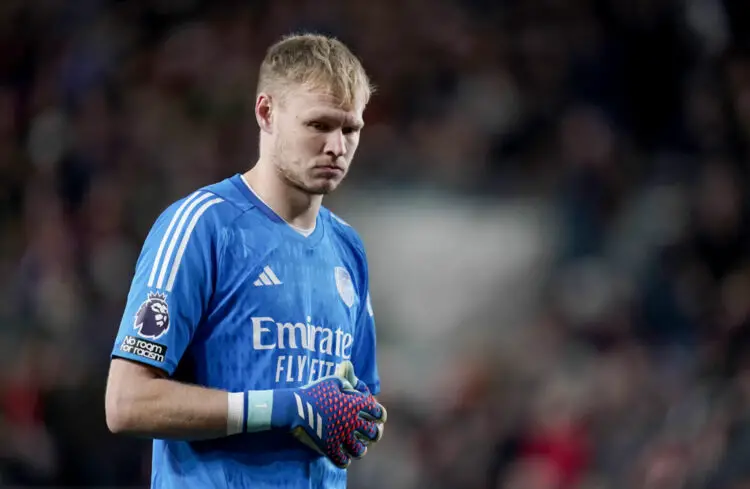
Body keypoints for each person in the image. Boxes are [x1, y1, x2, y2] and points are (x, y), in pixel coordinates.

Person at [104, 33, 387, 489]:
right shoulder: (202, 226)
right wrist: (285, 408)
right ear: (266, 113)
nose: (336, 146)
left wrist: (361, 417)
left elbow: (359, 396)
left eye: (350, 129)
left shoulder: (348, 249)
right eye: (318, 125)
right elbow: (126, 403)